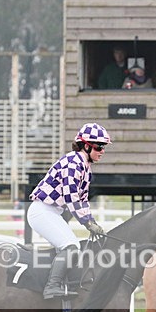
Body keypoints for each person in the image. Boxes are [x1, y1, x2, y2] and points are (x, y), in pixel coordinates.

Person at [28, 122, 110, 299]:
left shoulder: (84, 167)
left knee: (73, 246)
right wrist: (87, 223)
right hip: (42, 211)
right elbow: (71, 197)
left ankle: (61, 283)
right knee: (71, 246)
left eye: (104, 147)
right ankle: (52, 286)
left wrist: (93, 222)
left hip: (51, 212)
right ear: (86, 146)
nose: (102, 150)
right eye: (99, 146)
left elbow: (82, 200)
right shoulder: (73, 162)